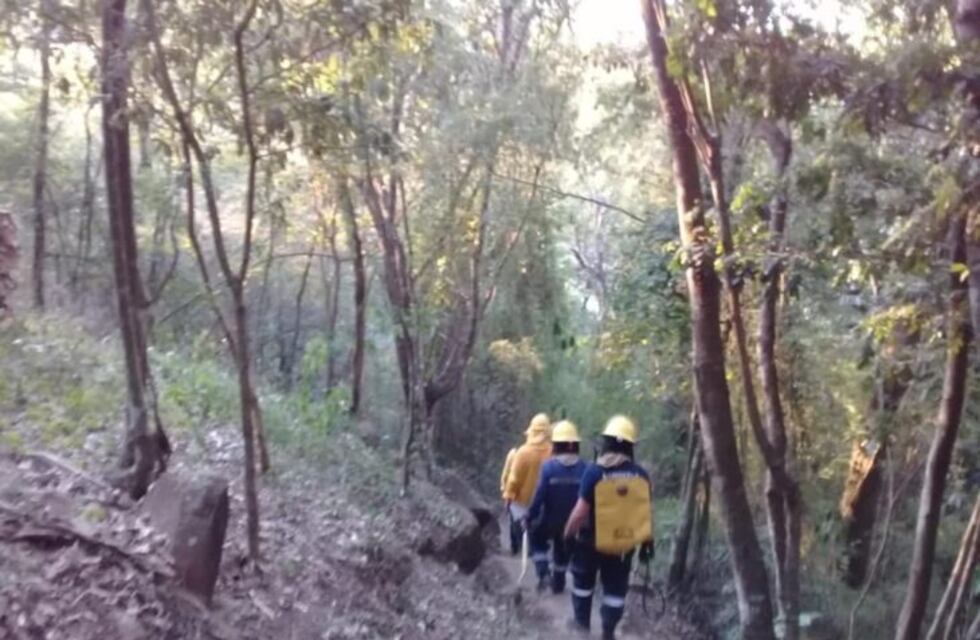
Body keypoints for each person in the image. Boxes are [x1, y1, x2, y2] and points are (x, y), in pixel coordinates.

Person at [563, 415, 654, 640]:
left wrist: (568, 534)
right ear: (631, 446)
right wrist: (647, 543)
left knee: (583, 584)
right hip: (623, 545)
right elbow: (643, 514)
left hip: (590, 543)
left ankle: (582, 626)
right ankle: (608, 631)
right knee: (615, 591)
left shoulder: (594, 472)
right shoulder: (641, 475)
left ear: (607, 442)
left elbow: (580, 512)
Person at [526, 419, 587, 594]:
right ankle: (559, 583)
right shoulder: (585, 468)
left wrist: (529, 517)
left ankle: (543, 573)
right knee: (562, 546)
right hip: (573, 524)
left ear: (556, 444)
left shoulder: (549, 468)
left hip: (550, 519)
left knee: (537, 538)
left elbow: (539, 496)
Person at [503, 413, 552, 556]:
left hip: (522, 500)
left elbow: (513, 479)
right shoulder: (553, 452)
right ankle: (536, 547)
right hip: (543, 501)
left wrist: (508, 496)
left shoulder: (523, 452)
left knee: (517, 521)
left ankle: (521, 547)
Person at [499, 446, 520, 554]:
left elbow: (506, 474)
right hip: (529, 492)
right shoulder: (537, 453)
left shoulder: (513, 453)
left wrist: (505, 491)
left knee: (513, 517)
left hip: (513, 491)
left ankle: (515, 546)